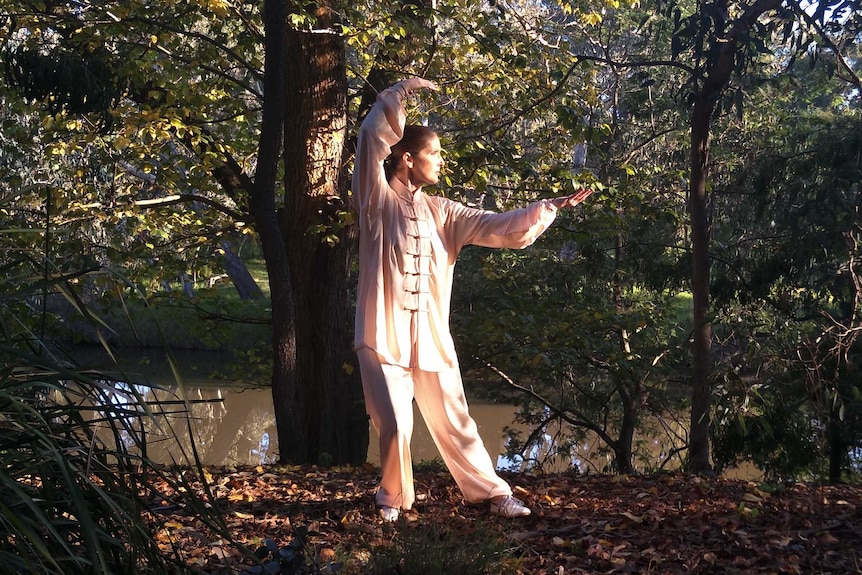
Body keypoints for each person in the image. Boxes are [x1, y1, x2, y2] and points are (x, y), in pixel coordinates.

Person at [352, 77, 593, 522]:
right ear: (407, 158)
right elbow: (369, 141)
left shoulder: (443, 211)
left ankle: (491, 493)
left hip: (431, 339)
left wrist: (548, 207)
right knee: (395, 426)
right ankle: (393, 499)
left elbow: (497, 225)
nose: (441, 162)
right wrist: (399, 94)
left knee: (458, 424)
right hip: (382, 336)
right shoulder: (376, 201)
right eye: (435, 153)